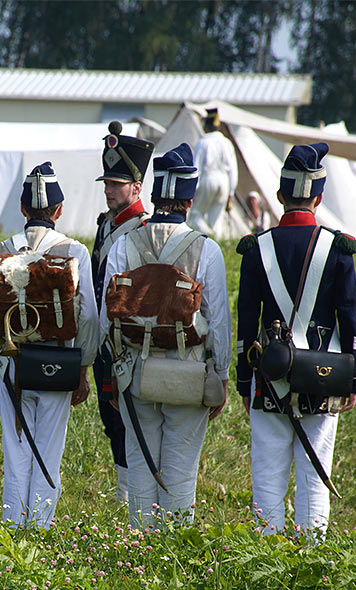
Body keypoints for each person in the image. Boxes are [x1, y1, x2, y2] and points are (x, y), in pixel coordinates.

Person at [101, 143, 231, 530]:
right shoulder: (206, 249)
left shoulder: (124, 243)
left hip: (135, 369)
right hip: (187, 372)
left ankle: (141, 548)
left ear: (155, 195)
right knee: (181, 468)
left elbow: (109, 313)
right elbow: (218, 321)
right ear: (189, 201)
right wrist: (220, 375)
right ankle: (173, 547)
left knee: (141, 463)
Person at [0, 162, 99, 529]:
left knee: (15, 451)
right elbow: (87, 318)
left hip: (12, 364)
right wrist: (82, 367)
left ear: (23, 209)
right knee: (47, 453)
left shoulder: (1, 249)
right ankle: (39, 527)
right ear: (59, 211)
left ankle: (12, 527)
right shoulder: (75, 251)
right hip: (58, 364)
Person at [236, 142, 356, 536]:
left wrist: (244, 380)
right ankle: (313, 556)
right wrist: (353, 377)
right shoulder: (339, 249)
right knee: (315, 475)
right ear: (319, 196)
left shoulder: (257, 249)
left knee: (267, 476)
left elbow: (245, 323)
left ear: (279, 196)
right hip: (324, 374)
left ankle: (266, 553)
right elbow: (349, 318)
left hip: (268, 377)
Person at [90, 121, 154, 503]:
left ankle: (133, 493)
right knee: (111, 421)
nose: (109, 190)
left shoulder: (143, 228)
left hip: (128, 338)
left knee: (130, 419)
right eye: (107, 184)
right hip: (103, 338)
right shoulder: (106, 225)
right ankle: (123, 489)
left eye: (116, 184)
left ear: (136, 186)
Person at [189, 108, 238, 238]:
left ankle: (208, 235)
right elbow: (233, 170)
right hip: (224, 181)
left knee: (195, 214)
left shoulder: (203, 142)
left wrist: (193, 188)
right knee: (216, 217)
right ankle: (215, 239)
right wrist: (231, 192)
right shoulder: (226, 143)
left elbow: (196, 167)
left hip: (208, 178)